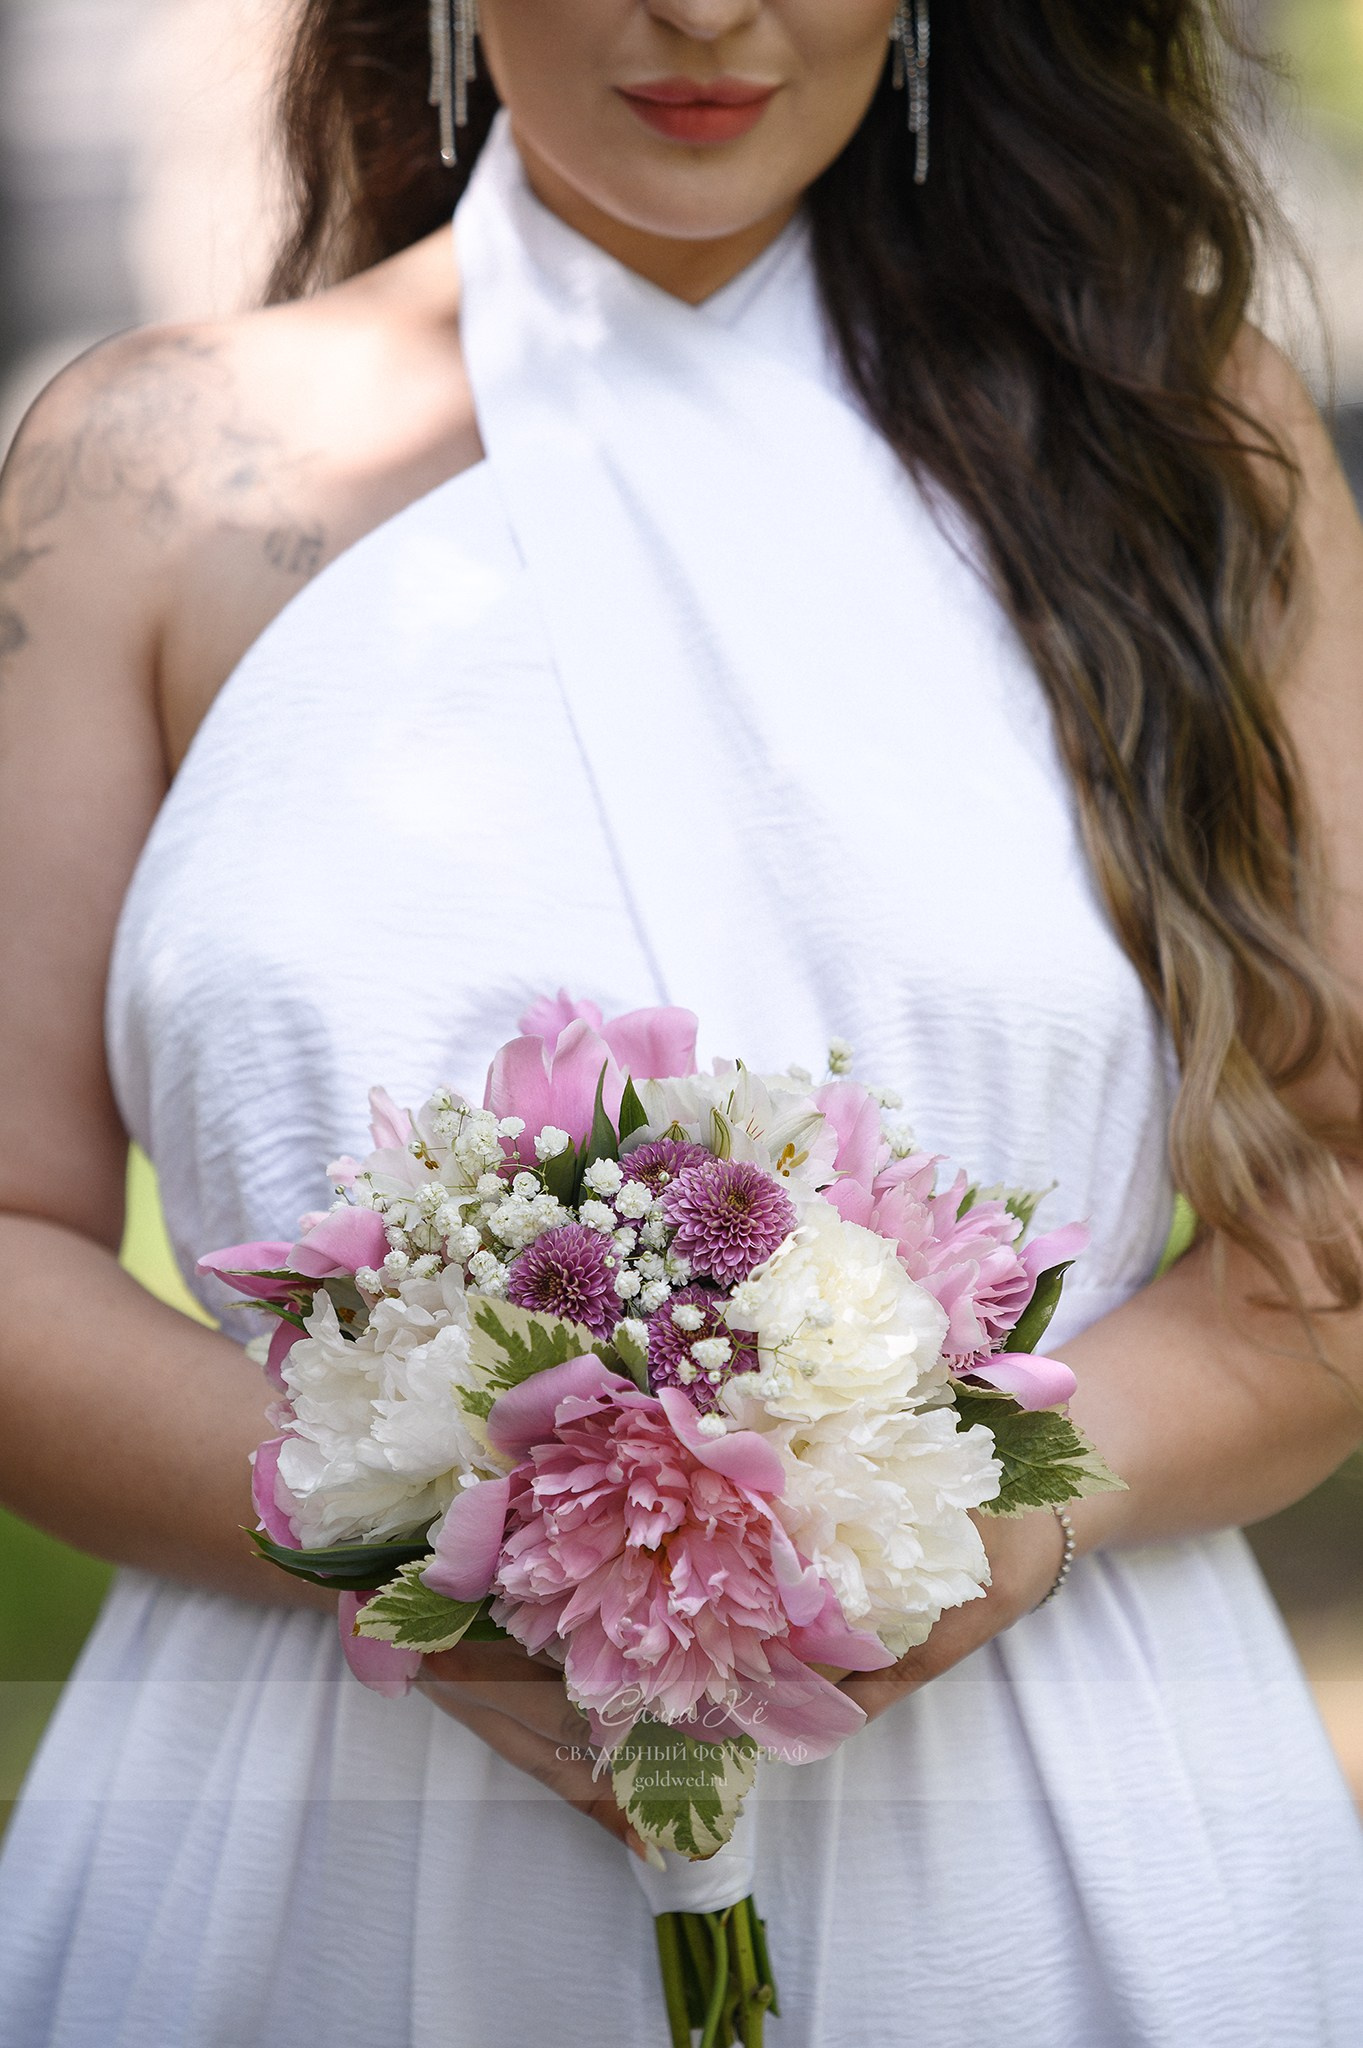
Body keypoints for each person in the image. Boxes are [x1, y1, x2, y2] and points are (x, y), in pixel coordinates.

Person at [1, 2, 1362, 2042]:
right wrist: (450, 1555)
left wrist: (997, 1517)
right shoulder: (151, 476)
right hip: (318, 1825)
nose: (706, 11)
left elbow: (1332, 1204)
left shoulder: (1180, 440)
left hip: (1039, 1815)